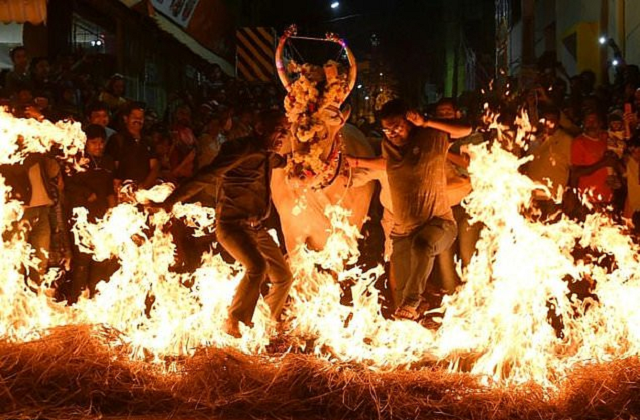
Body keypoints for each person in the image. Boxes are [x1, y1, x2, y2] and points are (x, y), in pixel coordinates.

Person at [160, 110, 294, 338]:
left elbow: (286, 161)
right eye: (279, 130)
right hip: (232, 227)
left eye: (286, 131)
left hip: (257, 229)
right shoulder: (240, 149)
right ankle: (234, 319)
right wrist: (170, 201)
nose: (283, 136)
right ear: (261, 128)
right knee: (258, 268)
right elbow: (207, 175)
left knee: (283, 277)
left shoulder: (267, 155)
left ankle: (267, 322)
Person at [347, 99, 470, 320]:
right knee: (401, 292)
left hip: (438, 224)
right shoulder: (389, 146)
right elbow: (389, 164)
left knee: (422, 246)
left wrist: (427, 121)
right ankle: (411, 324)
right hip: (401, 232)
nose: (391, 132)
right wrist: (355, 162)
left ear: (409, 122)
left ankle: (414, 301)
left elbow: (466, 129)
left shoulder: (432, 138)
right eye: (386, 128)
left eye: (396, 126)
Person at [65, 124, 117, 302]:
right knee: (82, 260)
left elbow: (110, 187)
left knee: (101, 258)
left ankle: (96, 300)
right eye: (94, 143)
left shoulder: (108, 161)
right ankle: (76, 300)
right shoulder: (78, 161)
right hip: (81, 218)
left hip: (102, 216)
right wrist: (87, 194)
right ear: (86, 143)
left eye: (101, 142)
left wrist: (113, 210)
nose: (98, 146)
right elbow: (69, 185)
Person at [524, 106, 574, 218]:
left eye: (552, 120)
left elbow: (573, 169)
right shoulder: (535, 140)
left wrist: (570, 194)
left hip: (553, 198)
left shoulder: (567, 140)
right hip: (532, 196)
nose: (548, 123)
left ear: (558, 121)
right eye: (546, 120)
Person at [106, 102, 159, 196]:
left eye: (141, 117)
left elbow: (154, 167)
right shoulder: (117, 139)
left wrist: (143, 188)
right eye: (134, 117)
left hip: (145, 193)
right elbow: (114, 169)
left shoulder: (148, 141)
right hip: (124, 194)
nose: (138, 120)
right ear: (126, 118)